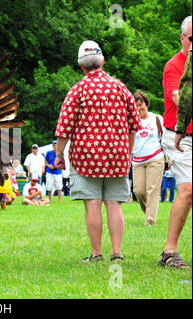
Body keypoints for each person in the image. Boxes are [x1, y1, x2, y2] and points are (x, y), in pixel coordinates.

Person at [54, 40, 141, 263]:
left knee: (92, 204)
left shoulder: (77, 90)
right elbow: (134, 124)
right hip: (117, 155)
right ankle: (117, 252)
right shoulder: (120, 87)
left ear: (81, 66)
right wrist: (128, 152)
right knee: (114, 204)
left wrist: (59, 155)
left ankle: (96, 254)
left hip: (86, 157)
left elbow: (64, 127)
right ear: (102, 61)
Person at [159, 16, 192, 269]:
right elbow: (176, 96)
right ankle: (169, 252)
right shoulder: (174, 65)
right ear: (182, 38)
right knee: (188, 190)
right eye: (191, 39)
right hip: (179, 137)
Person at [131, 90, 165, 226]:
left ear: (146, 104)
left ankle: (150, 222)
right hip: (138, 160)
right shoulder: (132, 121)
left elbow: (165, 138)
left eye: (141, 105)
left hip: (155, 158)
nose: (139, 108)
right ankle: (149, 214)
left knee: (152, 190)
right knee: (138, 191)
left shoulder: (156, 118)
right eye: (136, 106)